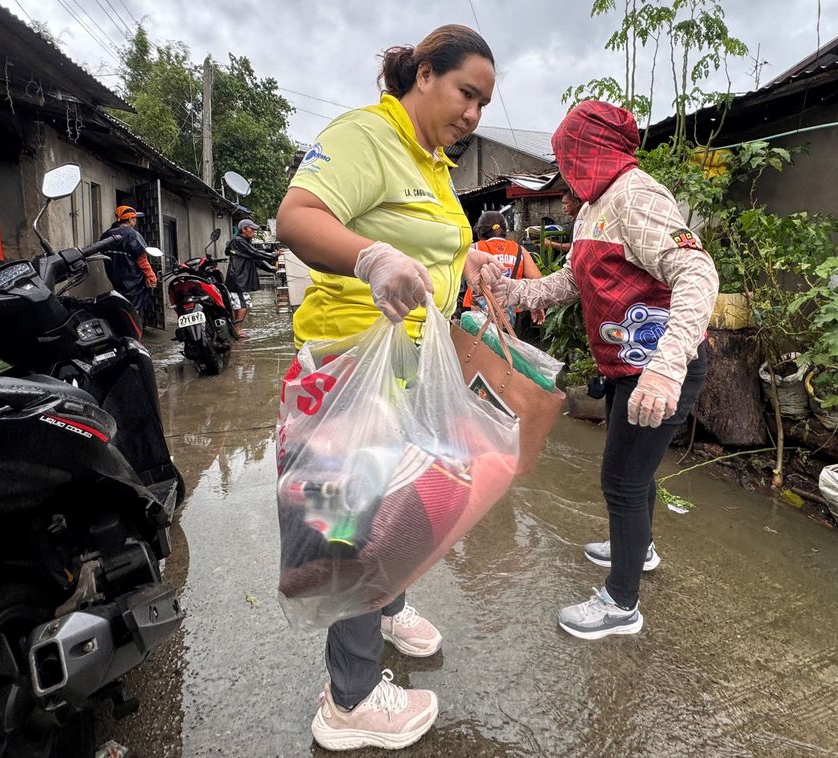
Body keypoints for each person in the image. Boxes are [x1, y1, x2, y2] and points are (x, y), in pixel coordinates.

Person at [275, 24, 504, 752]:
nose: (473, 114)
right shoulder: (365, 136)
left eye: (484, 104)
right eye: (466, 93)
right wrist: (370, 257)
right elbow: (296, 219)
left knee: (405, 508)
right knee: (345, 531)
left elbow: (433, 247)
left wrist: (465, 271)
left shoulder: (433, 161)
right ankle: (347, 701)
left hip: (403, 365)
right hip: (348, 369)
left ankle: (385, 607)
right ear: (424, 75)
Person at [491, 101, 719, 641]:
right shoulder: (596, 205)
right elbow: (570, 282)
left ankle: (621, 605)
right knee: (632, 475)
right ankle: (635, 551)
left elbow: (698, 271)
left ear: (589, 149)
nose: (564, 167)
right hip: (625, 367)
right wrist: (511, 291)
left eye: (567, 153)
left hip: (661, 370)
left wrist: (665, 368)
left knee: (620, 480)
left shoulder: (636, 196)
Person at [462, 210, 543, 324]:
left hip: (477, 309)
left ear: (480, 231)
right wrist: (534, 305)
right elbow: (537, 280)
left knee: (478, 341)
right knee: (507, 341)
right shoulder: (520, 250)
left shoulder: (473, 249)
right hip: (508, 311)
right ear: (504, 230)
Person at [224, 218, 278, 339]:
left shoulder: (244, 242)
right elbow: (255, 253)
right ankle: (237, 330)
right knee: (244, 304)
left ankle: (233, 328)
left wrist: (271, 268)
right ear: (243, 229)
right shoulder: (239, 241)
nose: (253, 231)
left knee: (237, 305)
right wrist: (273, 255)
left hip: (239, 278)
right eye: (251, 229)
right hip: (238, 279)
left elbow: (256, 259)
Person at [100, 205, 157, 313]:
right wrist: (151, 277)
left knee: (121, 306)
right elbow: (142, 260)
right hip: (133, 282)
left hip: (115, 279)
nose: (136, 220)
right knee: (133, 310)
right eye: (135, 218)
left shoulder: (106, 235)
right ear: (130, 219)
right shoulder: (133, 235)